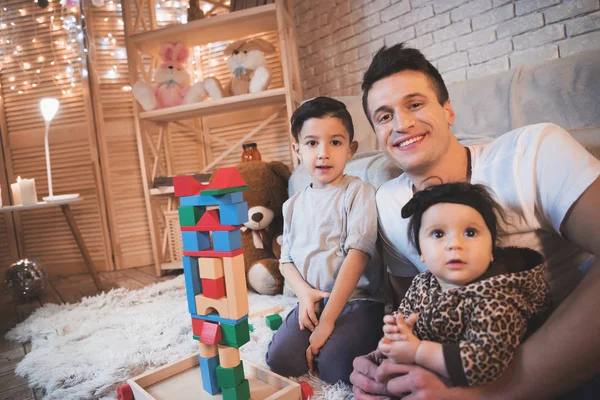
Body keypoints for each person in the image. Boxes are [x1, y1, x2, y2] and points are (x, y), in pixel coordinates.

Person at [350, 43, 600, 399]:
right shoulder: (388, 203)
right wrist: (391, 363)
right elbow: (416, 307)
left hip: (565, 351)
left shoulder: (532, 152)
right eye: (384, 116)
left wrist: (487, 394)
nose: (402, 124)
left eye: (415, 104)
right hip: (460, 358)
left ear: (448, 110)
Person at [378, 182, 551, 388]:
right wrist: (397, 334)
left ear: (491, 250)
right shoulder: (421, 284)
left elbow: (483, 363)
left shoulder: (498, 297)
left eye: (470, 233)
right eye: (438, 234)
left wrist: (417, 351)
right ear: (421, 252)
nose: (455, 244)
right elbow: (405, 319)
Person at [266, 96, 385, 384]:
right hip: (312, 301)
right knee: (280, 360)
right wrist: (304, 294)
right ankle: (316, 338)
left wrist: (329, 320)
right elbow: (286, 261)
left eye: (335, 142)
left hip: (358, 302)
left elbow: (358, 256)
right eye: (311, 143)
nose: (323, 154)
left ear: (351, 149)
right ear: (297, 150)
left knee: (336, 369)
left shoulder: (358, 193)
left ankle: (352, 341)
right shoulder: (292, 205)